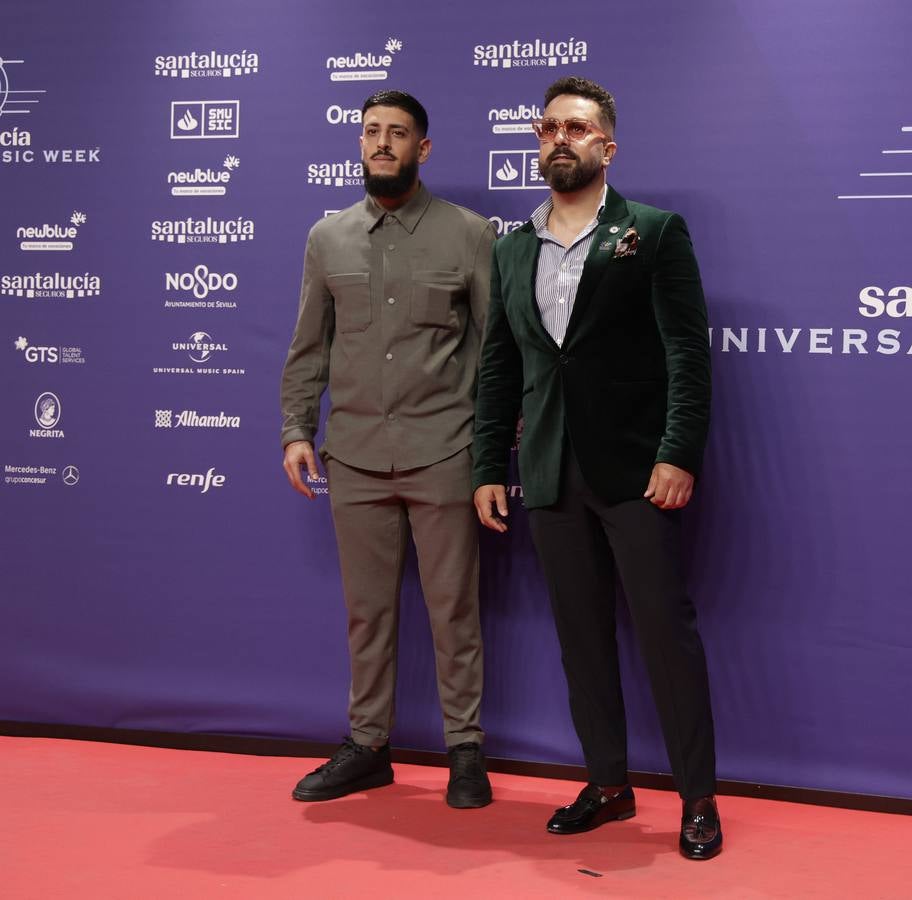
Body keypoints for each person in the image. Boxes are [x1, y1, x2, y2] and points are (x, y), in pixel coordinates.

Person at [471, 76, 722, 859]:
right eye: (548, 128)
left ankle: (696, 800)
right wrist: (487, 464)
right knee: (581, 641)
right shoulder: (511, 248)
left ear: (607, 147)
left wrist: (677, 453)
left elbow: (686, 353)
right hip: (546, 475)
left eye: (576, 129)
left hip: (637, 472)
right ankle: (609, 784)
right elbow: (499, 365)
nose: (559, 140)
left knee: (663, 639)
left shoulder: (653, 230)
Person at [279, 89, 494, 809]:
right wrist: (296, 429)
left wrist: (494, 445)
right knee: (367, 612)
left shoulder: (469, 235)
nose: (381, 143)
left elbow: (498, 351)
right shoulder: (328, 237)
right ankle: (368, 746)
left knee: (452, 609)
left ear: (422, 149)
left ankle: (465, 750)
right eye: (371, 132)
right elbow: (309, 345)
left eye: (397, 133)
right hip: (356, 457)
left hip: (445, 452)